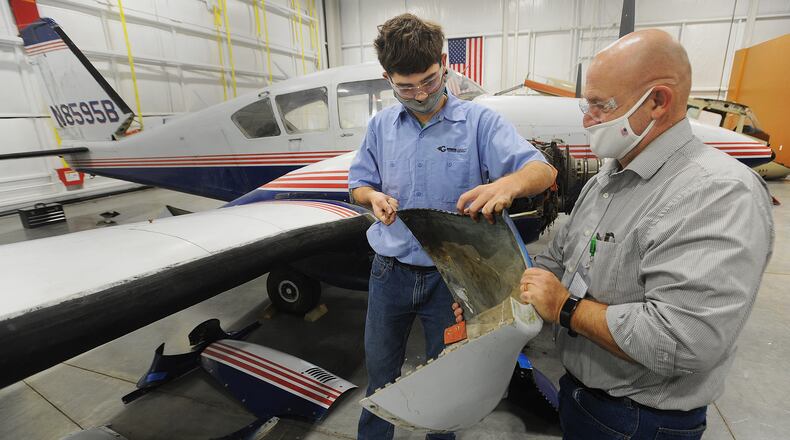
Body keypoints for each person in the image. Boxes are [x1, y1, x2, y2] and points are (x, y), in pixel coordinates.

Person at [453, 29, 774, 439]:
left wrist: (567, 308)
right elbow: (562, 258)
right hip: (583, 396)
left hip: (643, 420)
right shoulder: (610, 176)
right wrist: (495, 297)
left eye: (601, 106)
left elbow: (685, 340)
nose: (587, 120)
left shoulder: (717, 193)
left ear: (658, 101)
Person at [348, 13, 556, 440]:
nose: (420, 94)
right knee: (381, 374)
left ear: (444, 63)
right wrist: (373, 198)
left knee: (448, 386)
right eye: (405, 87)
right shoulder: (380, 127)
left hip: (452, 283)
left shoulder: (480, 123)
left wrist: (509, 184)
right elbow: (358, 185)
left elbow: (542, 171)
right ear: (387, 77)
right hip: (389, 275)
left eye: (428, 79)